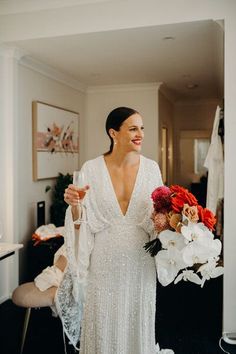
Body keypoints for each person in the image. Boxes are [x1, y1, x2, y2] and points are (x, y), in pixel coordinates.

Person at [57, 107, 174, 354]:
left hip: (140, 263)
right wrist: (75, 206)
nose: (140, 133)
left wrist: (176, 221)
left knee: (136, 320)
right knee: (103, 321)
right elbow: (83, 220)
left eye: (142, 128)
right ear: (114, 133)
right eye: (133, 128)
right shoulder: (91, 169)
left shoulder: (152, 169)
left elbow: (160, 216)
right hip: (103, 262)